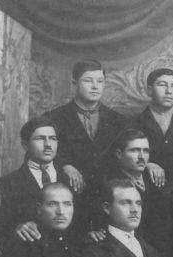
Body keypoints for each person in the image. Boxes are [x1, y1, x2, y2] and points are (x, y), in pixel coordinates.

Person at [44, 60, 127, 188]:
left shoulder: (119, 120)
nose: (95, 86)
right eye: (88, 81)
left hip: (110, 190)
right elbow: (41, 153)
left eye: (100, 81)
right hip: (70, 189)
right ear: (74, 84)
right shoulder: (53, 118)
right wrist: (64, 166)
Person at [0, 117, 80, 239]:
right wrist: (16, 227)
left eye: (52, 139)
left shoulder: (72, 179)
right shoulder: (8, 183)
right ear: (25, 145)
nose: (48, 145)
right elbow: (0, 224)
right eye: (40, 138)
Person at [95, 129, 171, 252]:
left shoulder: (154, 179)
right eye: (135, 150)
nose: (142, 157)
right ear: (119, 154)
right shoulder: (108, 185)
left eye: (145, 151)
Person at [128, 68, 173, 182]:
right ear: (149, 91)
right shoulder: (135, 123)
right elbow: (126, 157)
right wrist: (147, 164)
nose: (169, 91)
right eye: (162, 85)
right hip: (148, 185)